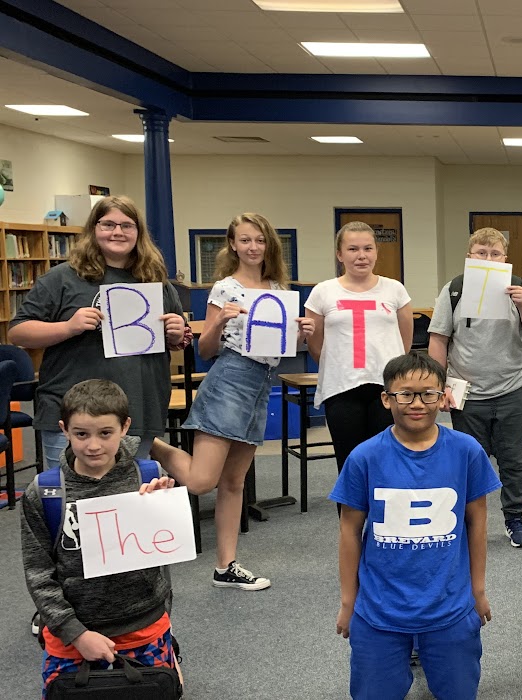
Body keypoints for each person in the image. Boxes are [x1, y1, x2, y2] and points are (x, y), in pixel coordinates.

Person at [330, 351, 501, 700]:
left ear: (443, 397)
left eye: (429, 394)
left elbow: (477, 523)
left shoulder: (466, 451)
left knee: (458, 692)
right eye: (405, 394)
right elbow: (349, 531)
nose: (417, 403)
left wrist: (478, 591)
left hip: (450, 608)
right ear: (386, 398)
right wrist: (349, 602)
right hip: (379, 610)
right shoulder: (364, 457)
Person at [163, 213, 314, 591]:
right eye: (245, 240)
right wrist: (217, 322)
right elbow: (206, 349)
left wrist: (304, 335)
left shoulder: (278, 289)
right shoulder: (225, 288)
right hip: (230, 377)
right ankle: (150, 443)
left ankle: (225, 566)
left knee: (234, 482)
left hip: (262, 382)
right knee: (201, 480)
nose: (252, 247)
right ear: (232, 244)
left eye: (259, 240)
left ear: (269, 245)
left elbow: (282, 348)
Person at [21, 379, 192, 697]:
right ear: (64, 429)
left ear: (125, 426)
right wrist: (75, 633)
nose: (93, 445)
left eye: (105, 433)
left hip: (145, 626)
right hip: (73, 636)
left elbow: (165, 555)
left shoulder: (148, 474)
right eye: (81, 434)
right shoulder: (45, 492)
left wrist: (161, 508)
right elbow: (38, 575)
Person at [10, 195, 188, 470]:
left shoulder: (155, 281)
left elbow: (178, 338)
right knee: (71, 502)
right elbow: (18, 332)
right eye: (108, 224)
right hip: (72, 416)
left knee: (129, 500)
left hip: (137, 411)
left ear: (138, 233)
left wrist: (177, 334)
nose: (118, 232)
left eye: (127, 225)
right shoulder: (62, 278)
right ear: (93, 229)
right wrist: (68, 327)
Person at [429, 227, 522, 548]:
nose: (488, 258)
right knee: (468, 460)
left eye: (495, 254)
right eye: (481, 252)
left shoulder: (519, 289)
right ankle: (470, 521)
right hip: (467, 392)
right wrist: (437, 386)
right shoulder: (453, 290)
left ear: (505, 259)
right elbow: (439, 340)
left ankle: (514, 518)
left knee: (513, 459)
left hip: (513, 387)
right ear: (470, 256)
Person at [304, 221, 412, 473]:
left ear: (376, 252)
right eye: (353, 249)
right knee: (350, 464)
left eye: (368, 248)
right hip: (341, 387)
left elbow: (404, 341)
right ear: (340, 254)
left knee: (387, 462)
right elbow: (315, 345)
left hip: (386, 388)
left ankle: (383, 514)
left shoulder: (395, 289)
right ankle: (350, 514)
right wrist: (338, 365)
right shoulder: (323, 292)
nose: (361, 256)